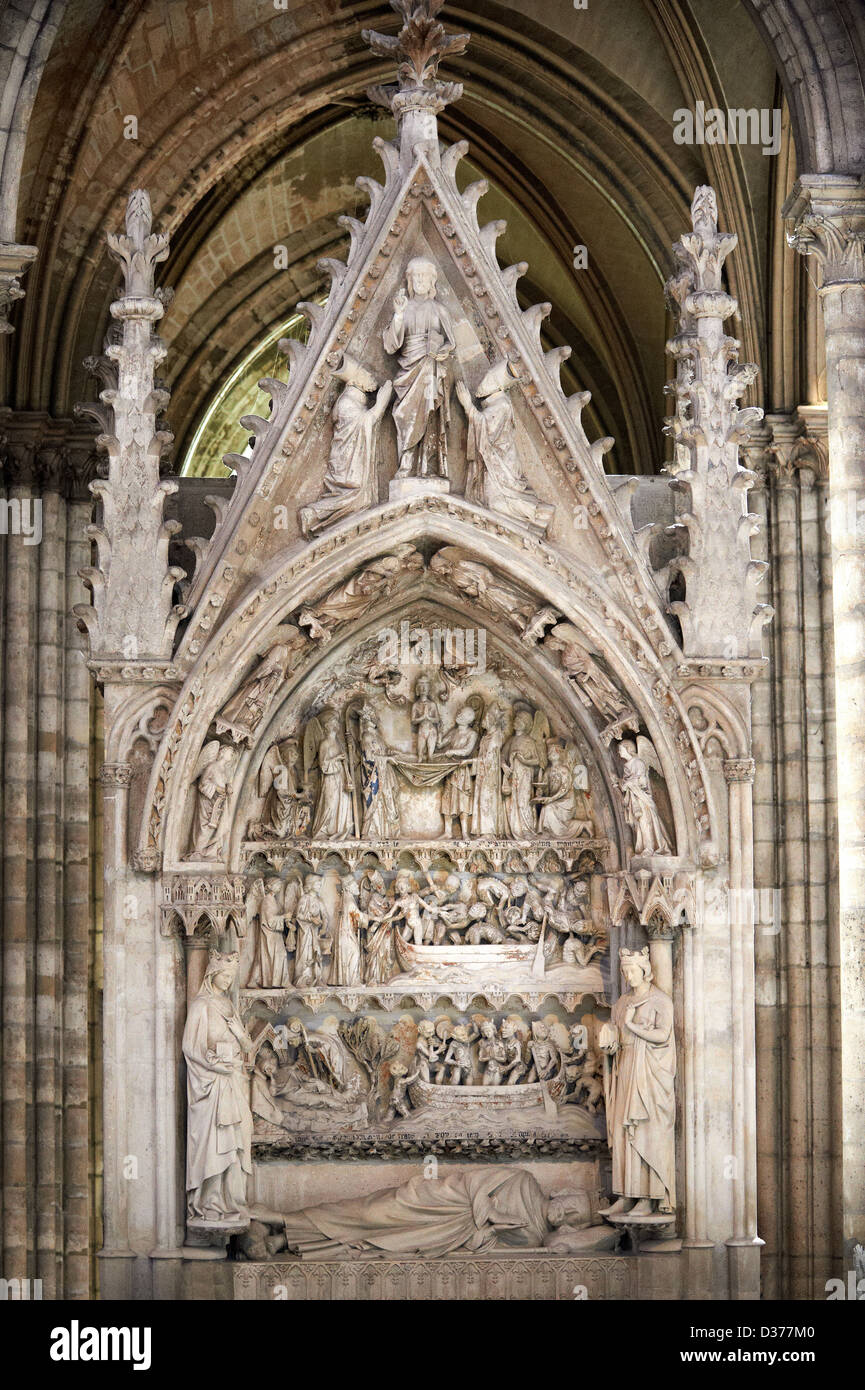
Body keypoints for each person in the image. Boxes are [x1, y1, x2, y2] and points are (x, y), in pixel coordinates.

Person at [599, 947, 676, 1216]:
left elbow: (663, 1035)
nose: (628, 975)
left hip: (649, 1076)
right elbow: (617, 1036)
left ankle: (648, 1197)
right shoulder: (621, 1003)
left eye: (633, 970)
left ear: (645, 970)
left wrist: (632, 1026)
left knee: (645, 1131)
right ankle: (626, 1195)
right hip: (626, 1068)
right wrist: (610, 1046)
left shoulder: (660, 1001)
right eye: (625, 971)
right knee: (623, 1133)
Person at [182, 952, 253, 1223]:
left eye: (231, 977)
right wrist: (213, 1067)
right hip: (212, 1085)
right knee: (215, 1143)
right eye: (224, 976)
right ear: (212, 974)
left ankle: (232, 1200)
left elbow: (247, 1046)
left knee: (239, 1139)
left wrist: (239, 1032)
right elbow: (190, 1047)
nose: (228, 981)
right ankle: (210, 1202)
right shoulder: (201, 1006)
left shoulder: (228, 1005)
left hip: (234, 1080)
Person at [383, 257, 455, 479]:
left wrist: (442, 350)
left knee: (429, 414)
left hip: (431, 370)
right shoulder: (404, 310)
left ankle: (428, 466)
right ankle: (406, 463)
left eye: (424, 275)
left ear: (432, 280)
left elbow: (451, 342)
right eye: (416, 276)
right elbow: (391, 345)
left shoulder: (439, 310)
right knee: (405, 414)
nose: (420, 280)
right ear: (410, 281)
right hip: (409, 370)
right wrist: (398, 315)